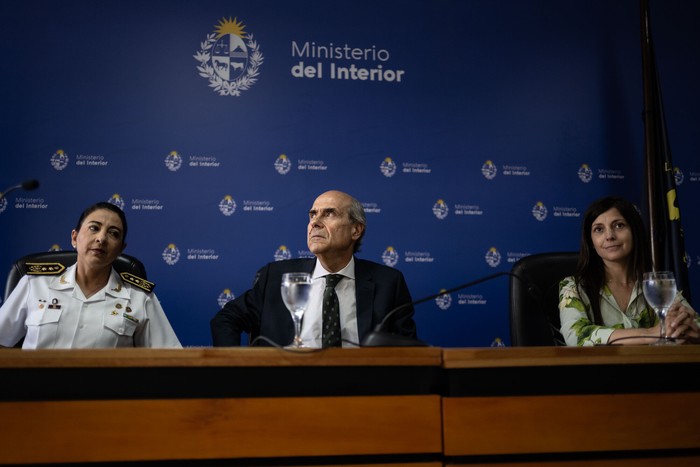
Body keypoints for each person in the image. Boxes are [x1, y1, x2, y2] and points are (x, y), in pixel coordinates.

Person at [210, 189, 417, 347]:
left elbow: (408, 353)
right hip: (290, 392)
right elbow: (225, 320)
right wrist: (238, 370)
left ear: (356, 230)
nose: (315, 222)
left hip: (360, 392)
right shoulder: (276, 277)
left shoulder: (388, 282)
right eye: (312, 215)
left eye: (329, 214)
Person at [0, 202, 182, 349]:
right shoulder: (34, 284)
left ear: (120, 249)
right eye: (94, 228)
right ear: (74, 238)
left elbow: (171, 359)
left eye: (113, 233)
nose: (101, 238)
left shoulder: (140, 298)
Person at [559, 195, 699, 346]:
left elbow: (692, 324)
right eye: (599, 229)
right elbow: (576, 336)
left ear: (634, 232)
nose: (609, 236)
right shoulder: (573, 287)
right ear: (591, 242)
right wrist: (652, 333)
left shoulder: (657, 285)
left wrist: (688, 328)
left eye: (619, 225)